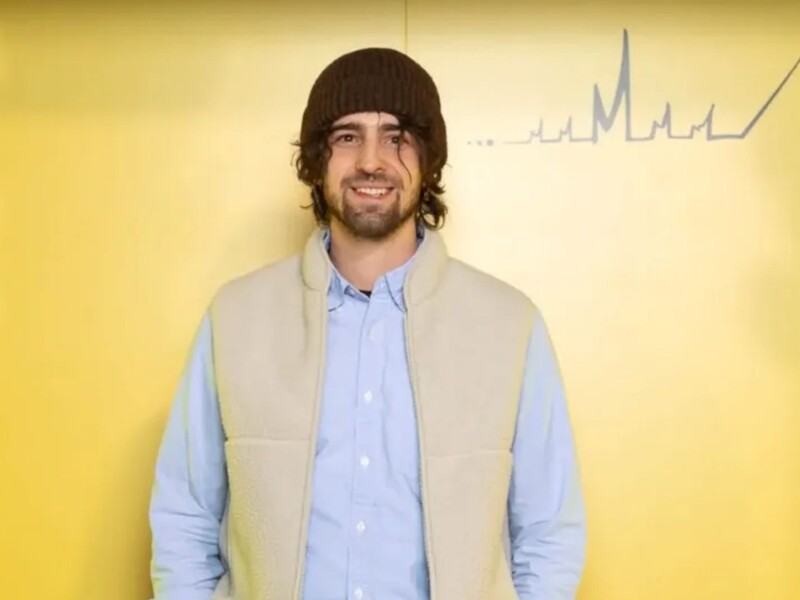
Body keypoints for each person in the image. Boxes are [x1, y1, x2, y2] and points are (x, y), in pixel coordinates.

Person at [149, 47, 586, 600]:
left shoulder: (509, 325)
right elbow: (184, 518)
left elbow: (548, 533)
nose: (372, 161)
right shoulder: (235, 317)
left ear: (429, 159)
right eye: (347, 136)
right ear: (317, 159)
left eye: (397, 137)